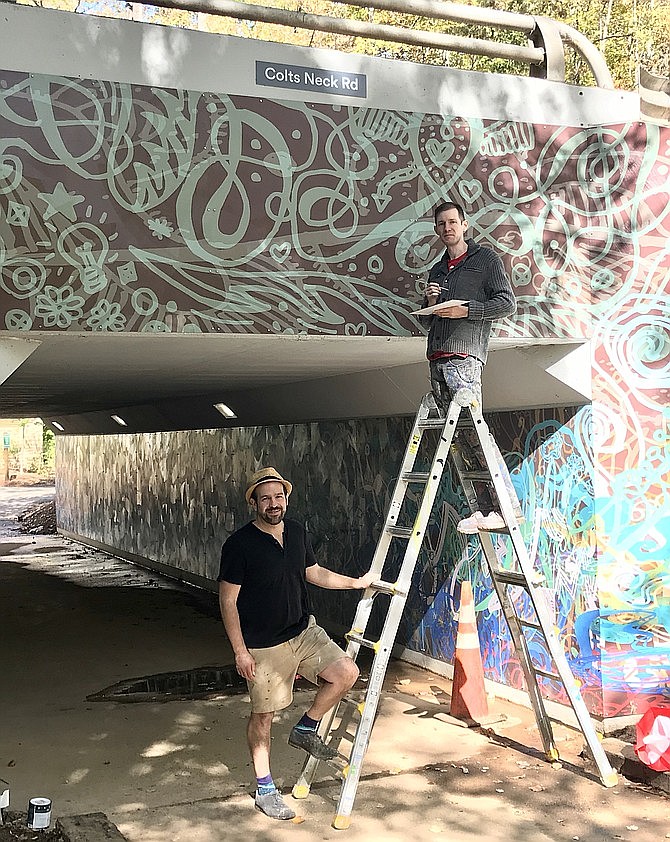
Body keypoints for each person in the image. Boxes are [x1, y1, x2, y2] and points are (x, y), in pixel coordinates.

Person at [218, 467, 375, 821]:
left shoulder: (298, 532)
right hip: (263, 646)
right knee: (264, 717)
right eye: (266, 499)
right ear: (254, 503)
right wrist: (240, 650)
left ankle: (306, 727)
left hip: (303, 632)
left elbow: (313, 573)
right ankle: (265, 789)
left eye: (279, 497)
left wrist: (356, 583)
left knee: (346, 672)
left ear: (286, 499)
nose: (274, 504)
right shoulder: (239, 545)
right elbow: (227, 600)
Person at [420, 200, 521, 533]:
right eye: (441, 224)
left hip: (464, 356)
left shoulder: (485, 260)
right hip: (437, 356)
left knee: (476, 433)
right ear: (437, 230)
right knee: (460, 440)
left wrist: (465, 310)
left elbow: (506, 303)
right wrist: (432, 303)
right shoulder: (438, 269)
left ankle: (507, 506)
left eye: (452, 222)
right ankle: (483, 510)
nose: (447, 228)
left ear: (464, 224)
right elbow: (428, 322)